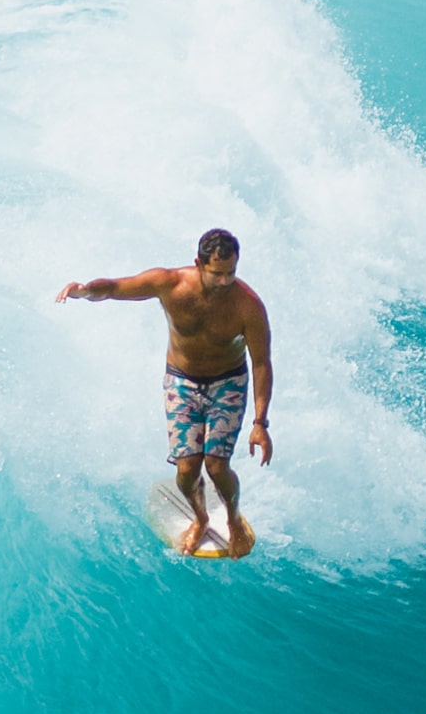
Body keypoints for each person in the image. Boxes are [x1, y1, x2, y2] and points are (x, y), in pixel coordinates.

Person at [56, 228, 272, 558]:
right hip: (182, 381)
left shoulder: (248, 306)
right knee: (186, 471)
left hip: (228, 383)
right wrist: (84, 291)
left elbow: (261, 363)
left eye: (232, 272)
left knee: (216, 465)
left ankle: (233, 521)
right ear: (198, 263)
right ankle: (199, 518)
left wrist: (261, 423)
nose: (225, 281)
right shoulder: (170, 284)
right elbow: (114, 288)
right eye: (217, 273)